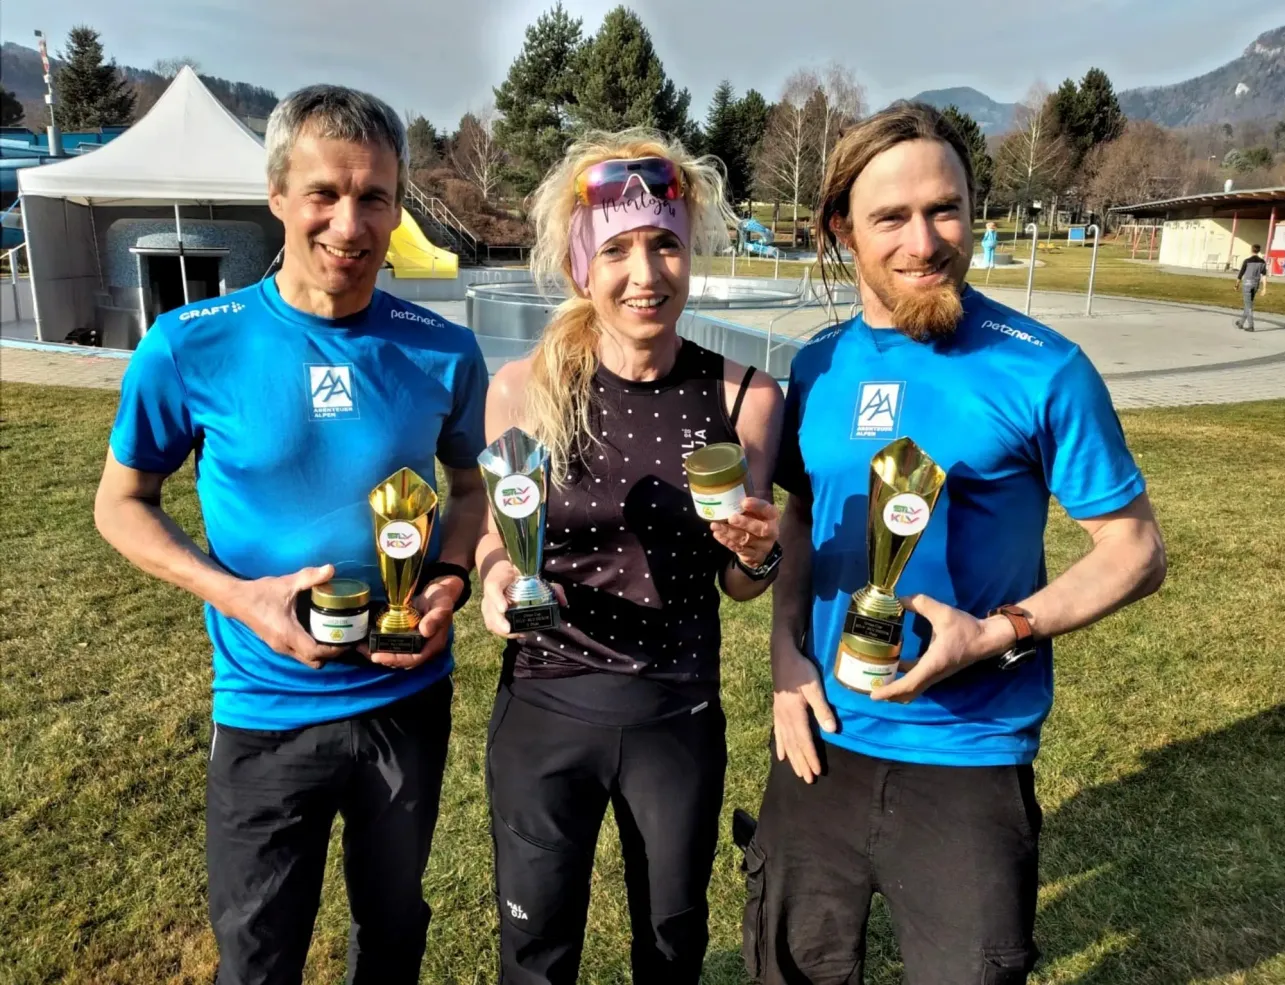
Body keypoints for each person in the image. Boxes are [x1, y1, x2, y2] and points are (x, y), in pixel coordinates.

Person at [744, 101, 1167, 985]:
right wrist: (786, 657)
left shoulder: (1043, 368)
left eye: (946, 209)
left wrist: (1002, 630)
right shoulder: (815, 366)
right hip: (822, 740)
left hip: (969, 754)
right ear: (842, 231)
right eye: (890, 218)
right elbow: (801, 518)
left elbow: (1134, 550)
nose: (925, 241)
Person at [93, 85, 489, 984]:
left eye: (375, 197)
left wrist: (451, 579)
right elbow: (120, 503)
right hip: (266, 709)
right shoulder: (190, 344)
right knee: (258, 953)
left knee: (391, 933)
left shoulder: (441, 349)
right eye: (323, 193)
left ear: (397, 205)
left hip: (405, 698)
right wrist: (235, 596)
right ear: (276, 194)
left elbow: (469, 490)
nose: (350, 224)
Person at [476, 130, 785, 985]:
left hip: (675, 711)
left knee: (671, 950)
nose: (645, 274)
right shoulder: (523, 387)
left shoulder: (746, 393)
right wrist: (499, 582)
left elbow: (739, 578)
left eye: (665, 245)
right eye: (617, 249)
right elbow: (499, 536)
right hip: (546, 707)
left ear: (691, 254)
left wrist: (758, 554)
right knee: (535, 957)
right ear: (583, 265)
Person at [1235, 243, 1268, 331]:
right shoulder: (1262, 262)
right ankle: (1241, 323)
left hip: (1247, 284)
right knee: (1248, 304)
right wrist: (1264, 288)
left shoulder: (1247, 261)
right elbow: (1264, 276)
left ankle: (1251, 325)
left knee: (1248, 306)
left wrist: (1237, 284)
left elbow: (1241, 273)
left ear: (1251, 250)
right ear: (1259, 251)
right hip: (1256, 284)